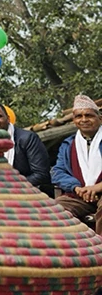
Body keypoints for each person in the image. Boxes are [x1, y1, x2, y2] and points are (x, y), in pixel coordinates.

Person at [52, 95, 102, 234]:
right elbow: (58, 171)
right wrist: (76, 187)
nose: (84, 120)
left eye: (89, 115)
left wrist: (97, 187)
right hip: (79, 195)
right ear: (74, 120)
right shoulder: (68, 145)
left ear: (100, 118)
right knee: (55, 210)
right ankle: (71, 252)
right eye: (79, 116)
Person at [0, 101, 51, 196]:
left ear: (8, 119)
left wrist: (10, 188)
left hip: (28, 195)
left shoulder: (27, 139)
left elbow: (41, 175)